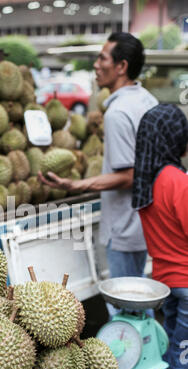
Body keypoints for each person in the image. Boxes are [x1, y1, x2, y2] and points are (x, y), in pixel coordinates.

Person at [39, 33, 158, 288]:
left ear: (121, 66)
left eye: (102, 58)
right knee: (140, 296)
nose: (95, 65)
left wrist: (76, 185)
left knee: (126, 307)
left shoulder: (117, 113)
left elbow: (129, 176)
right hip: (146, 222)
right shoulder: (148, 100)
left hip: (124, 227)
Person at [132, 103, 188, 369]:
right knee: (182, 361)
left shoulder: (147, 180)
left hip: (166, 284)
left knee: (172, 355)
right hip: (186, 284)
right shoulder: (174, 180)